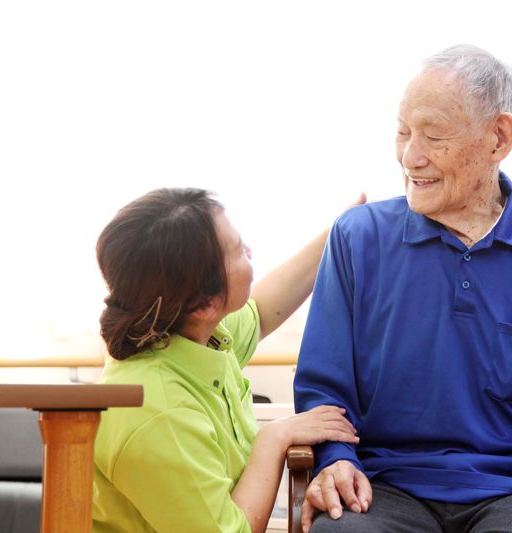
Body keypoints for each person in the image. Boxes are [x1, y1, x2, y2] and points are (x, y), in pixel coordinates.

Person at [293, 45, 512, 533]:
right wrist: (334, 459)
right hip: (383, 488)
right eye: (402, 130)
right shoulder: (357, 238)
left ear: (498, 138)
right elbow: (323, 390)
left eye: (433, 135)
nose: (409, 155)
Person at [92, 187, 364, 533]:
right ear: (205, 303)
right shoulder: (159, 413)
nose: (249, 251)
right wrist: (274, 437)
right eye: (238, 252)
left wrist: (343, 229)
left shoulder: (190, 333)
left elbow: (263, 310)